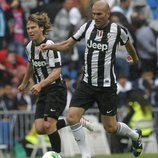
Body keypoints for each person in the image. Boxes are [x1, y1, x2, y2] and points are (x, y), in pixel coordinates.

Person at [41, 0, 143, 157]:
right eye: (94, 13)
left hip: (107, 86)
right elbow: (68, 43)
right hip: (87, 83)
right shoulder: (87, 26)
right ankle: (86, 154)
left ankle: (135, 135)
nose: (95, 17)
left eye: (99, 14)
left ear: (108, 14)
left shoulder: (117, 30)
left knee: (111, 128)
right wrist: (51, 46)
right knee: (72, 117)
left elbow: (129, 46)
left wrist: (134, 59)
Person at [18, 12, 93, 156]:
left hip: (56, 88)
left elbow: (57, 71)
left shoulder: (50, 45)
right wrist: (24, 82)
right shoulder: (29, 47)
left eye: (33, 27)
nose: (30, 31)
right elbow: (31, 65)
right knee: (40, 128)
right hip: (43, 91)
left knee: (49, 125)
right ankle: (76, 121)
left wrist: (40, 85)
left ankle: (56, 154)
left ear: (41, 28)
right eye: (28, 28)